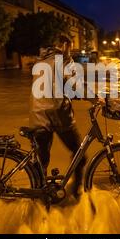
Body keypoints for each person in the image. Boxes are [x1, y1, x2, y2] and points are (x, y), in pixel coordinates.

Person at [29, 35, 86, 199]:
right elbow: (75, 85)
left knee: (41, 162)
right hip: (58, 115)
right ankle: (77, 195)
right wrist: (96, 97)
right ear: (65, 45)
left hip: (37, 114)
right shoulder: (64, 60)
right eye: (71, 45)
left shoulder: (40, 61)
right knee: (79, 153)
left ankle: (39, 198)